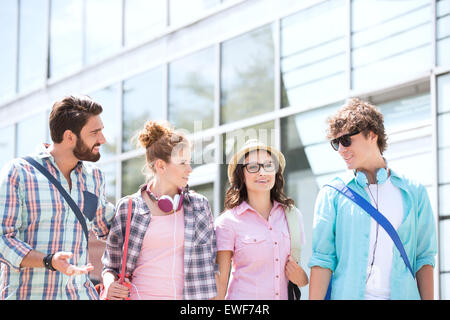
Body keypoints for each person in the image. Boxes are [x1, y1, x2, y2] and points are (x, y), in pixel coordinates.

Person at [308, 98, 437, 300]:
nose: (341, 149)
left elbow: (424, 258)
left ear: (372, 135)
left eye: (346, 140)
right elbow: (322, 260)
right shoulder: (332, 193)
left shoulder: (414, 192)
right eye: (336, 143)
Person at [0, 95, 115, 300]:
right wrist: (49, 260)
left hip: (79, 295)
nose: (102, 139)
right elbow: (3, 238)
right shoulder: (19, 172)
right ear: (70, 136)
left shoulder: (94, 177)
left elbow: (114, 228)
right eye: (95, 132)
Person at [101, 120, 217, 300]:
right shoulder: (128, 207)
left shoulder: (199, 206)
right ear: (161, 166)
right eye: (183, 163)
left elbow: (210, 266)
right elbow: (110, 266)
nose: (190, 169)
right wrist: (109, 285)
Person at [215, 139, 308, 300]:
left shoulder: (293, 216)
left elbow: (299, 276)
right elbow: (220, 283)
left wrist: (302, 278)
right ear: (241, 175)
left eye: (268, 165)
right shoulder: (227, 222)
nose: (262, 172)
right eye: (253, 167)